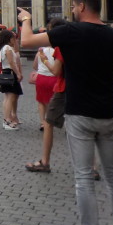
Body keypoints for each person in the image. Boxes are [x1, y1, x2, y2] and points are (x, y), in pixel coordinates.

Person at [19, 0, 113, 225]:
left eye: (73, 6)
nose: (72, 10)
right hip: (108, 115)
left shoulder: (70, 32)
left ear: (83, 6)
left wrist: (26, 20)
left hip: (79, 114)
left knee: (83, 180)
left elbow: (26, 42)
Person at [26, 18, 67, 173]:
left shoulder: (60, 47)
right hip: (79, 87)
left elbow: (56, 70)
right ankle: (94, 167)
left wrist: (26, 20)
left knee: (49, 120)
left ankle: (45, 161)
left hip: (63, 86)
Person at [31, 20, 63, 131]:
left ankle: (42, 122)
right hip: (54, 78)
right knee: (51, 101)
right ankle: (50, 122)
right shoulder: (58, 51)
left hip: (41, 78)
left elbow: (35, 66)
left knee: (41, 101)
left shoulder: (40, 52)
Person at [0, 30, 23, 130]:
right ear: (9, 39)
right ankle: (7, 120)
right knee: (10, 97)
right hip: (10, 73)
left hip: (5, 73)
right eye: (13, 38)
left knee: (8, 97)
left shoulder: (3, 48)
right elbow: (12, 62)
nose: (15, 40)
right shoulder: (8, 48)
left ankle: (8, 118)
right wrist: (18, 73)